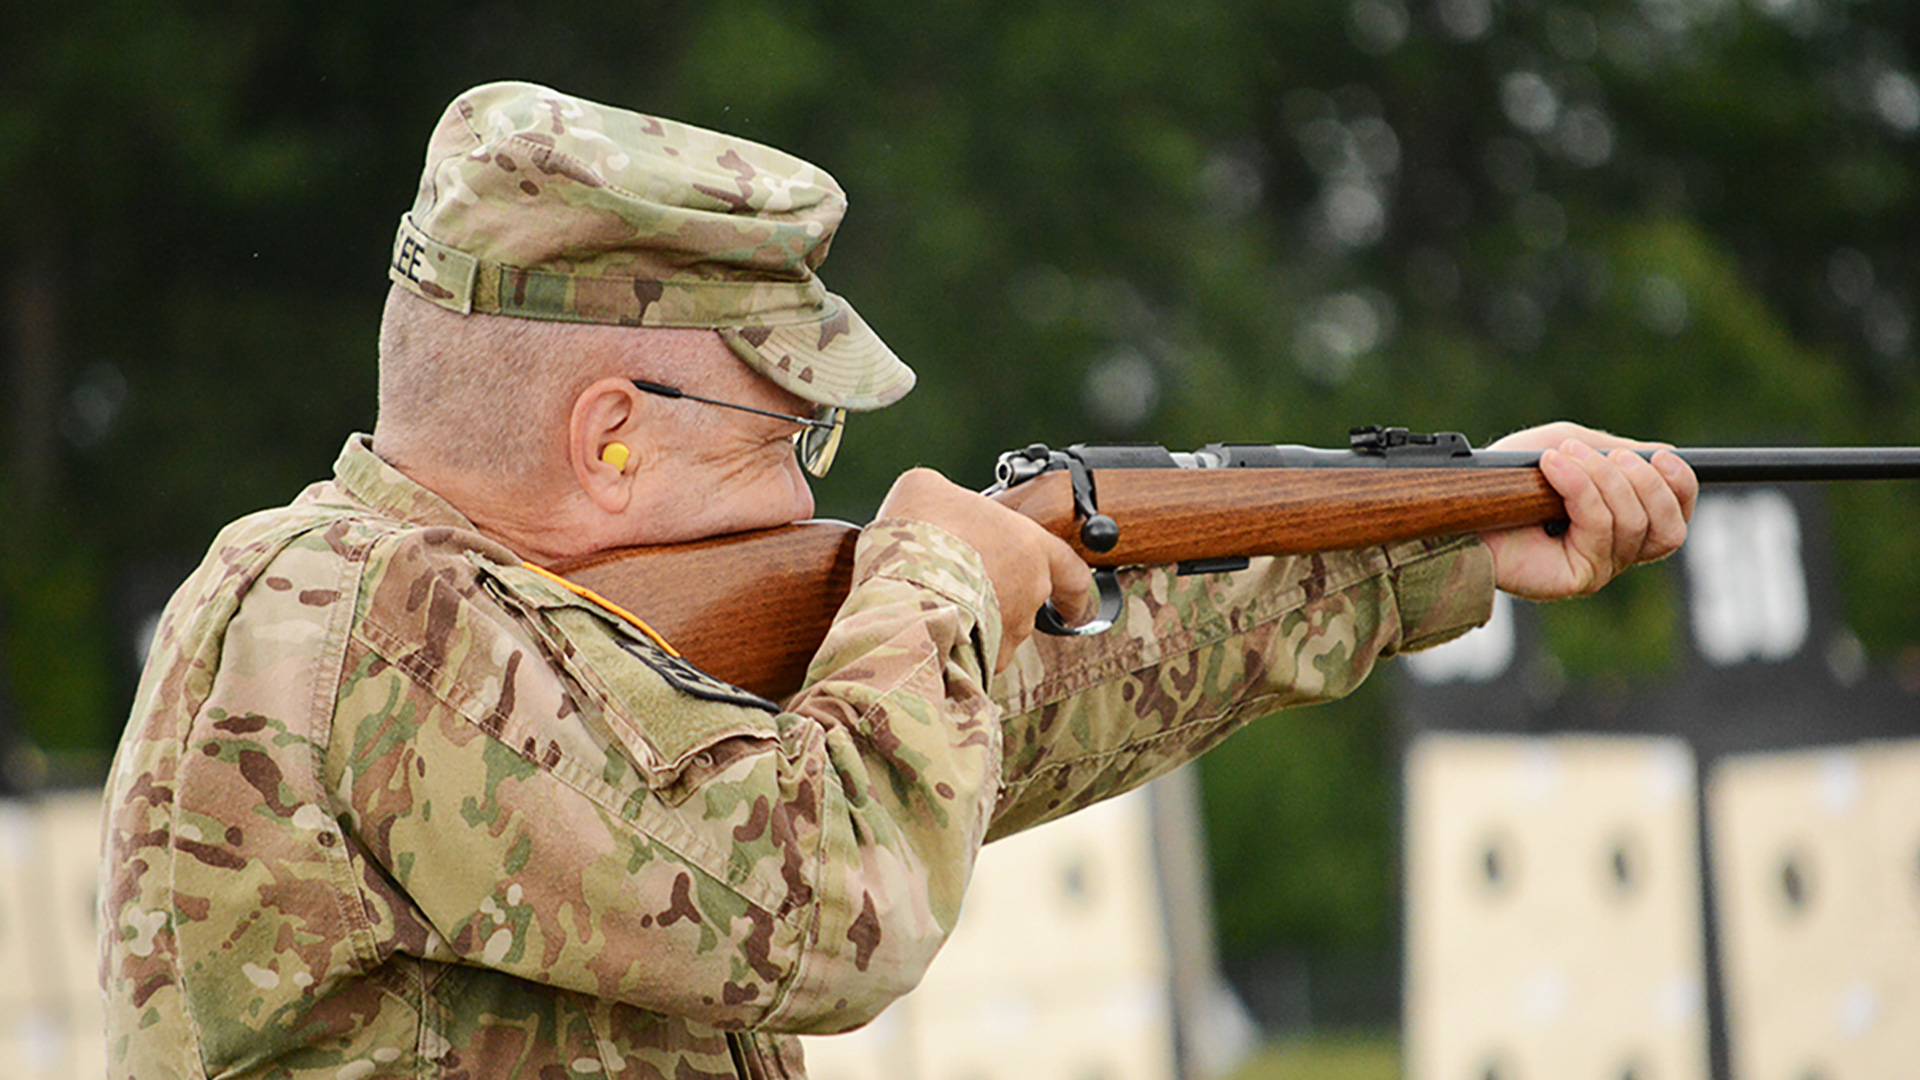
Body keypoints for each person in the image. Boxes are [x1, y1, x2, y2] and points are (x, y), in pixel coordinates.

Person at [100, 82, 1696, 1080]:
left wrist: (1424, 538)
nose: (813, 488)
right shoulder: (353, 617)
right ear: (611, 440)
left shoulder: (532, 636)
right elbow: (826, 904)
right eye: (792, 431)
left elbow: (1006, 726)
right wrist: (936, 568)